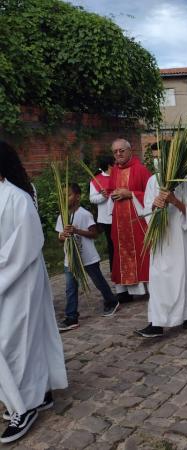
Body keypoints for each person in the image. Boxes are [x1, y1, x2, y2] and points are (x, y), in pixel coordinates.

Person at [0, 142, 68, 444]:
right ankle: (40, 392)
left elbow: (27, 242)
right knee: (28, 336)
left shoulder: (18, 198)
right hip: (8, 276)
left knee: (15, 340)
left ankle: (25, 405)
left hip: (20, 277)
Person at [136, 167, 187, 338]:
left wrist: (174, 201)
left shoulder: (185, 181)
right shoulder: (153, 180)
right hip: (162, 235)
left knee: (186, 276)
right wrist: (155, 204)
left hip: (183, 237)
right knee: (159, 276)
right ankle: (157, 322)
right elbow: (147, 209)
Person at [56, 183, 120, 331]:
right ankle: (71, 316)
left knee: (98, 281)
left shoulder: (84, 214)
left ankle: (111, 301)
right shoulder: (62, 216)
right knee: (70, 288)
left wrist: (77, 231)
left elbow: (94, 234)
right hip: (71, 259)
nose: (66, 198)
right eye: (63, 195)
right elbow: (59, 237)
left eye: (69, 195)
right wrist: (63, 235)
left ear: (77, 197)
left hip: (88, 257)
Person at [108, 138, 151, 302]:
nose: (118, 154)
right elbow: (112, 190)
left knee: (141, 251)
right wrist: (113, 194)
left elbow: (149, 195)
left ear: (129, 150)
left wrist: (131, 194)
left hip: (137, 220)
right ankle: (125, 290)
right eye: (115, 151)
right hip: (120, 221)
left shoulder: (140, 169)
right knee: (121, 252)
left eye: (121, 150)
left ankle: (145, 287)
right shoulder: (115, 171)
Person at [89, 155, 115, 271]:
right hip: (107, 218)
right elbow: (92, 199)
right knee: (112, 244)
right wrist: (103, 196)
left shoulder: (118, 176)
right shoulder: (96, 180)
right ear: (110, 165)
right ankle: (113, 269)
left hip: (122, 215)